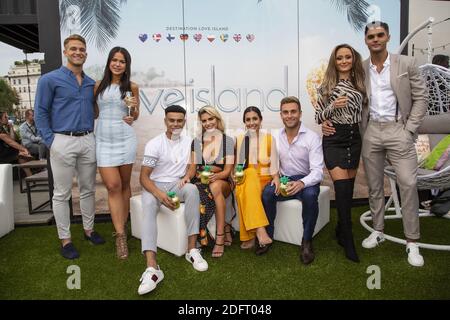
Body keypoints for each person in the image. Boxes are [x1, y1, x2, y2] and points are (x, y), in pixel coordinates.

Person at [322, 21, 428, 267]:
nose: (376, 39)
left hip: (398, 129)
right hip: (370, 132)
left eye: (380, 35)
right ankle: (378, 231)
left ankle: (412, 241)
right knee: (374, 186)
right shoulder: (360, 68)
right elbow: (339, 95)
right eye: (371, 36)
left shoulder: (406, 64)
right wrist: (326, 119)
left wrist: (409, 129)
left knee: (409, 183)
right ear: (366, 41)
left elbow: (421, 99)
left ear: (388, 37)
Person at [35, 34, 105, 260]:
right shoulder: (49, 79)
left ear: (86, 53)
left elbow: (95, 111)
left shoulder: (90, 83)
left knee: (88, 189)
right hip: (61, 140)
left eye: (82, 49)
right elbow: (40, 112)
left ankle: (89, 230)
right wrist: (50, 140)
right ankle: (65, 240)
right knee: (62, 193)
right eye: (73, 48)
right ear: (66, 52)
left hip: (87, 139)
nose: (78, 52)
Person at [138, 105, 208, 295]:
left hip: (178, 184)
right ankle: (152, 268)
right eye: (172, 120)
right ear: (165, 121)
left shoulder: (193, 142)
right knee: (149, 204)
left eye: (179, 120)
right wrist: (159, 194)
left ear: (184, 122)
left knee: (193, 190)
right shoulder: (155, 143)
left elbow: (193, 168)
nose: (175, 124)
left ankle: (192, 250)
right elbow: (143, 178)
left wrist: (187, 177)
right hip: (156, 185)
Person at [314, 44, 367, 262]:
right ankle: (348, 238)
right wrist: (333, 106)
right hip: (334, 139)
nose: (344, 61)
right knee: (342, 188)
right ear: (334, 61)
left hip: (354, 138)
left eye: (348, 57)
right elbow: (319, 117)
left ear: (353, 59)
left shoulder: (362, 84)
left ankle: (340, 229)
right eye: (339, 58)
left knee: (348, 191)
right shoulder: (325, 86)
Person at [261, 96, 324, 264]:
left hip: (306, 179)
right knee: (267, 194)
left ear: (300, 114)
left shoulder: (312, 137)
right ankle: (268, 236)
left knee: (310, 197)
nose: (290, 116)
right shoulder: (275, 136)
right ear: (281, 115)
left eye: (293, 112)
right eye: (286, 112)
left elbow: (318, 171)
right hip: (284, 179)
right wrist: (276, 177)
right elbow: (272, 162)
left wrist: (302, 183)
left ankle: (306, 241)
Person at [94, 47, 139, 260]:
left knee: (125, 185)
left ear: (126, 65)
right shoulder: (97, 86)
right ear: (109, 62)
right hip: (103, 139)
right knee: (113, 186)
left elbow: (135, 114)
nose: (118, 64)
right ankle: (120, 235)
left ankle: (123, 224)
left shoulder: (131, 86)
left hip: (125, 138)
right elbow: (95, 112)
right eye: (114, 60)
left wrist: (133, 114)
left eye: (122, 61)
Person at [187, 106, 235, 258]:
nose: (208, 123)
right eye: (204, 121)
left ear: (217, 119)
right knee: (197, 189)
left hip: (222, 180)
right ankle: (224, 227)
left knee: (214, 186)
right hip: (201, 180)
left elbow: (228, 170)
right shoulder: (196, 142)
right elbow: (192, 169)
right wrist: (186, 178)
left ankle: (219, 236)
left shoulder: (227, 141)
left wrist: (218, 175)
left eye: (211, 119)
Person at [234, 106, 277, 251]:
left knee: (244, 188)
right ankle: (260, 230)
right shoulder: (240, 140)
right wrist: (235, 176)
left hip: (265, 180)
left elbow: (275, 163)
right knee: (248, 176)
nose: (251, 122)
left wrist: (276, 178)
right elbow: (237, 166)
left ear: (260, 120)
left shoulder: (270, 139)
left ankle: (249, 237)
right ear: (244, 122)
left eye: (254, 119)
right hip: (247, 179)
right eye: (248, 120)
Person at [0, 111, 33, 175]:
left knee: (22, 154)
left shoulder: (3, 127)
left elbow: (13, 139)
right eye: (5, 117)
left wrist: (11, 127)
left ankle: (31, 175)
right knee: (21, 155)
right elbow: (10, 142)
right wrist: (24, 149)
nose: (8, 118)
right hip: (2, 153)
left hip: (6, 150)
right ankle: (30, 176)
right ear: (0, 120)